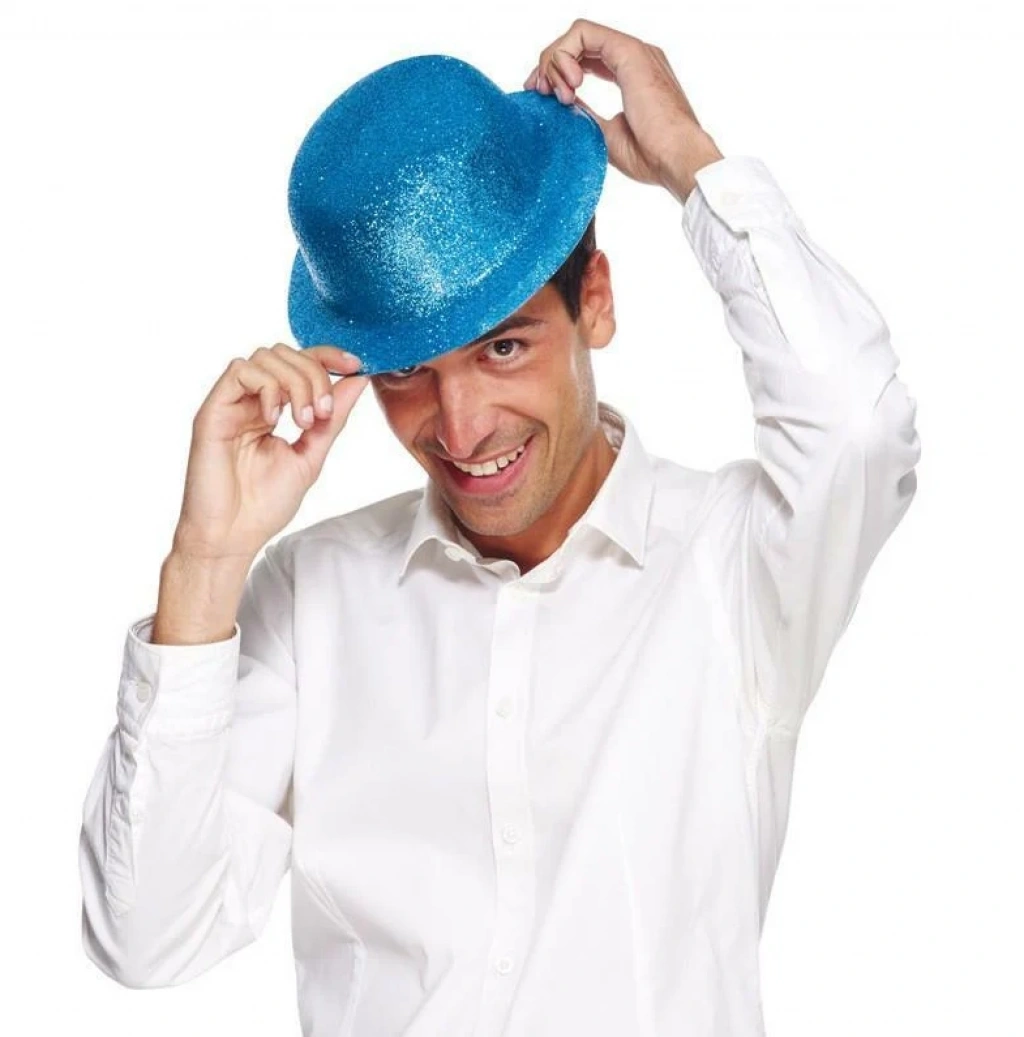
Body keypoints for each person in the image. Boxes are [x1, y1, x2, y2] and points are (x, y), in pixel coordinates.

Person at [78, 19, 921, 1037]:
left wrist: (694, 166)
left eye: (504, 347)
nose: (462, 426)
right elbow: (146, 934)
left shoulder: (733, 563)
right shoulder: (311, 595)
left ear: (594, 302)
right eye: (407, 372)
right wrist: (206, 563)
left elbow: (857, 424)